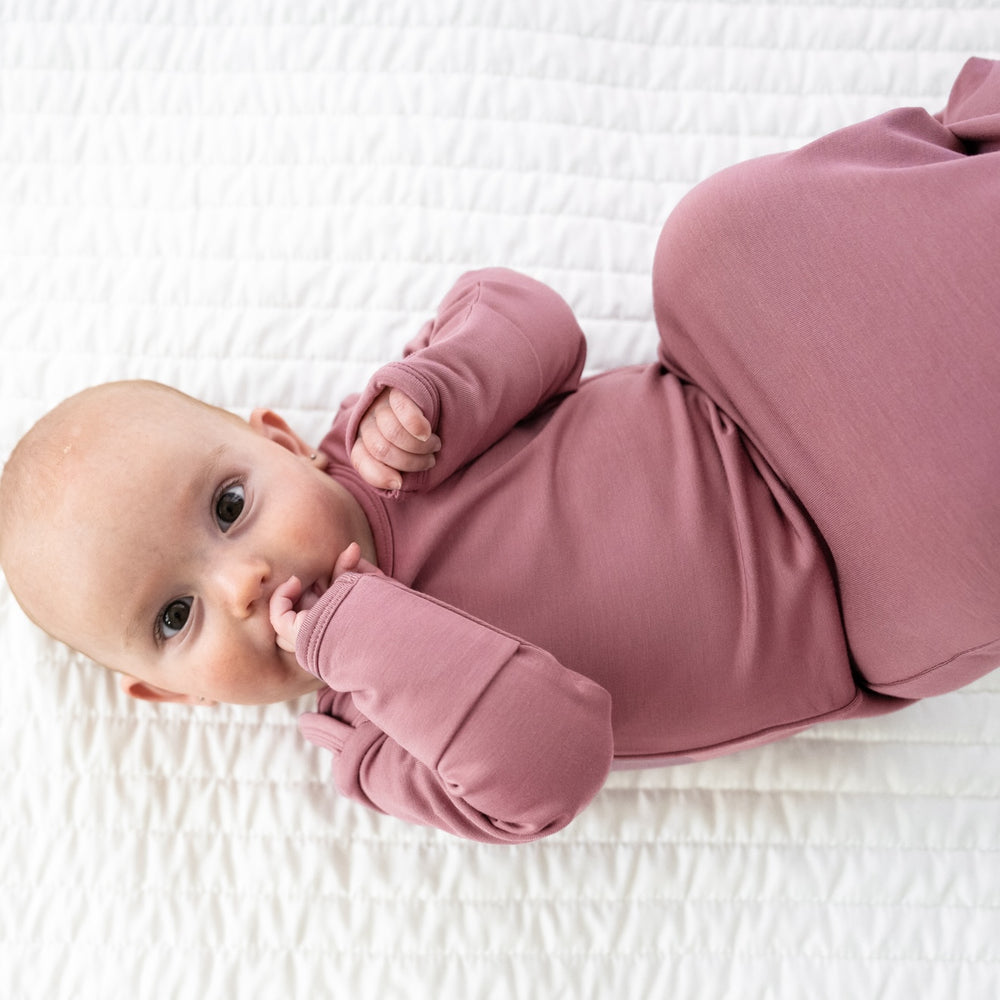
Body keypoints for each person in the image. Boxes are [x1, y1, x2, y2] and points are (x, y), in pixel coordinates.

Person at [0, 58, 997, 844]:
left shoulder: (385, 441)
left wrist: (439, 386)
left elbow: (535, 323)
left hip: (739, 373)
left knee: (712, 239)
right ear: (166, 692)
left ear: (279, 443)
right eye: (177, 616)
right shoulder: (379, 745)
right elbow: (555, 758)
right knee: (948, 562)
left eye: (228, 508)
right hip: (846, 581)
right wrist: (357, 637)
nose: (244, 584)